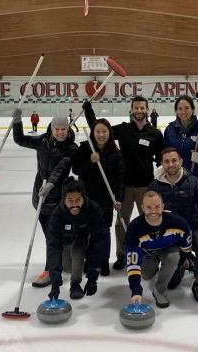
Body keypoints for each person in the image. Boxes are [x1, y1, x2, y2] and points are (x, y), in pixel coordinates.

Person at [84, 96, 164, 270]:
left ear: (147, 110)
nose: (139, 111)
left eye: (142, 108)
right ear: (132, 110)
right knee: (121, 222)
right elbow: (100, 129)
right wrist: (88, 110)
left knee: (151, 220)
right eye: (136, 108)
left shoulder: (155, 134)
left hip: (146, 186)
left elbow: (161, 160)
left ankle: (150, 255)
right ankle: (122, 254)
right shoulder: (124, 129)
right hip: (126, 186)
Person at [148, 147, 198, 303]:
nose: (171, 164)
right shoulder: (155, 185)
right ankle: (183, 262)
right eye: (167, 161)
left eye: (174, 160)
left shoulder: (193, 182)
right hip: (170, 232)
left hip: (193, 226)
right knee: (172, 285)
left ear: (181, 161)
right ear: (161, 164)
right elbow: (150, 209)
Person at [12, 108, 78, 288]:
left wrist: (51, 184)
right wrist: (17, 121)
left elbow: (62, 167)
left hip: (57, 197)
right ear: (51, 128)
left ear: (68, 129)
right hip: (39, 196)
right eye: (57, 128)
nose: (60, 132)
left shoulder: (72, 148)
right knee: (50, 235)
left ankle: (51, 270)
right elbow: (20, 140)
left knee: (53, 237)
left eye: (63, 129)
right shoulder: (42, 141)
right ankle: (60, 263)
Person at [72, 118, 125, 276]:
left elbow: (120, 177)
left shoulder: (115, 152)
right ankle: (90, 260)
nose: (101, 135)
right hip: (86, 198)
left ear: (110, 133)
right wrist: (90, 161)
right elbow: (76, 170)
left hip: (106, 198)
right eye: (98, 131)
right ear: (93, 133)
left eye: (104, 131)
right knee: (87, 230)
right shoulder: (85, 148)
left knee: (104, 231)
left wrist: (119, 199)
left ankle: (103, 261)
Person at [126, 191, 192, 308]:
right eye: (149, 207)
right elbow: (133, 264)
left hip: (170, 250)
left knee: (173, 271)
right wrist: (136, 291)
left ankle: (159, 290)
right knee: (146, 276)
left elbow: (186, 249)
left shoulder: (179, 223)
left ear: (162, 206)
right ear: (142, 208)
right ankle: (163, 268)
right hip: (149, 253)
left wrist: (178, 265)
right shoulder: (134, 228)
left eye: (157, 206)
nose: (153, 211)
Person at [47, 177, 106, 300]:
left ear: (83, 197)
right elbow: (53, 247)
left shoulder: (94, 210)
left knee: (78, 252)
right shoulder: (57, 215)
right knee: (67, 267)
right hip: (65, 240)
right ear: (64, 200)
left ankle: (75, 284)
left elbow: (98, 243)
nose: (74, 205)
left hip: (82, 237)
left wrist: (92, 278)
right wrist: (55, 284)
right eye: (70, 200)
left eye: (78, 199)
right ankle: (76, 267)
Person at [163, 95, 198, 182]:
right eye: (180, 108)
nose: (183, 111)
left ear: (192, 109)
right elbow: (165, 152)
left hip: (197, 176)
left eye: (187, 108)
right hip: (176, 177)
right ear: (176, 110)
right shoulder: (169, 129)